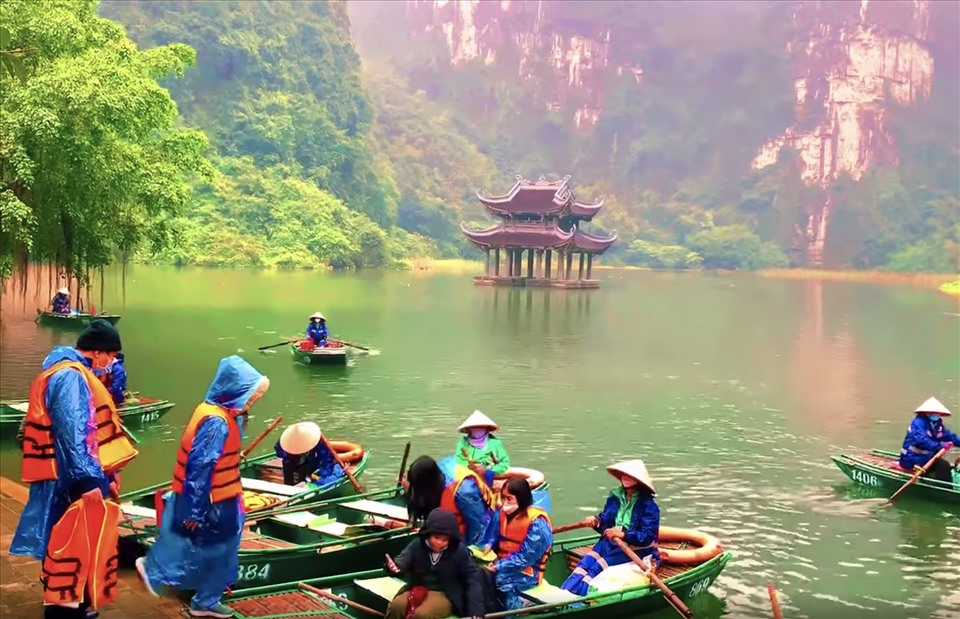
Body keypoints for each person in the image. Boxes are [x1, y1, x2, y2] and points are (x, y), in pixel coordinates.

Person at [11, 319, 138, 619]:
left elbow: (88, 432)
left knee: (71, 543)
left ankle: (75, 603)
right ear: (99, 352)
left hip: (66, 475)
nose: (112, 363)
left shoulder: (65, 371)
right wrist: (87, 481)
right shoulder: (70, 376)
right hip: (68, 480)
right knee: (69, 544)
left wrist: (108, 474)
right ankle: (63, 610)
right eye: (112, 356)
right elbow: (73, 431)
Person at [136, 356, 270, 619]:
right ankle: (168, 578)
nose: (251, 401)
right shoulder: (216, 422)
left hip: (222, 495)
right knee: (218, 550)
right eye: (250, 395)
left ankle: (198, 595)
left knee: (209, 548)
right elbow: (200, 467)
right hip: (214, 500)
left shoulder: (216, 412)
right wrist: (194, 510)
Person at [561, 459, 660, 596]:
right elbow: (605, 521)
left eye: (631, 476)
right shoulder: (615, 496)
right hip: (610, 542)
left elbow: (647, 537)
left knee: (596, 568)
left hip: (634, 548)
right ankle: (563, 594)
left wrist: (623, 534)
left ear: (638, 480)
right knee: (584, 564)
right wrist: (596, 522)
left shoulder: (649, 506)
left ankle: (577, 600)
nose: (626, 478)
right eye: (624, 474)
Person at [384, 508, 484, 619]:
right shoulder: (418, 544)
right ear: (428, 534)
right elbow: (403, 560)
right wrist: (396, 567)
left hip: (445, 593)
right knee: (396, 607)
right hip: (417, 588)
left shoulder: (459, 551)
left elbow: (472, 579)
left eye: (444, 540)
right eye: (436, 538)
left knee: (421, 615)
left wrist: (476, 611)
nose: (439, 543)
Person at [486, 477, 553, 613]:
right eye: (503, 497)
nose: (504, 502)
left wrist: (499, 567)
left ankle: (519, 608)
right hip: (502, 564)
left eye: (509, 499)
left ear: (521, 499)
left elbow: (525, 558)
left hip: (527, 572)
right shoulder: (502, 515)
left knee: (501, 582)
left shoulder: (538, 523)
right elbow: (493, 539)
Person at [404, 455, 497, 548]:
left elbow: (478, 526)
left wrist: (465, 550)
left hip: (482, 524)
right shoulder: (436, 471)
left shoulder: (464, 492)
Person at [899, 397, 960, 483]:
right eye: (935, 413)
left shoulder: (937, 424)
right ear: (927, 412)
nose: (937, 415)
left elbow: (948, 435)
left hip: (927, 457)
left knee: (944, 467)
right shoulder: (918, 423)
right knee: (943, 466)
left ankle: (945, 485)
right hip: (912, 458)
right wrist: (940, 446)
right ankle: (944, 488)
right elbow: (921, 440)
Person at [273, 421, 343, 486]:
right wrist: (290, 455)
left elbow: (326, 458)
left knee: (308, 472)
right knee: (288, 466)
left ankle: (306, 479)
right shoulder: (286, 439)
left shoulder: (315, 439)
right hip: (291, 463)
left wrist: (323, 477)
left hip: (309, 463)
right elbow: (278, 451)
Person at [454, 410, 511, 487]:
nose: (477, 429)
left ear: (486, 428)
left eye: (480, 427)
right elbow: (459, 460)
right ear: (469, 429)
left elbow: (504, 463)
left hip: (490, 475)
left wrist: (488, 470)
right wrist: (469, 467)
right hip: (468, 475)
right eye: (474, 427)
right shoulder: (463, 442)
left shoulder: (495, 443)